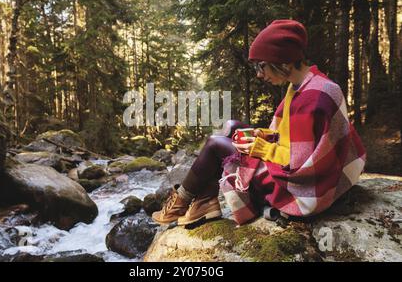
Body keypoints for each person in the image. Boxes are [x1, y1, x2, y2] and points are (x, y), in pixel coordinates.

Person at [152, 19, 366, 226]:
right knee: (232, 126)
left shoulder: (310, 99)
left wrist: (261, 148)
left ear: (283, 61)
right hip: (321, 175)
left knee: (215, 145)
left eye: (262, 66)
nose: (259, 75)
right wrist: (264, 136)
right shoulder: (307, 83)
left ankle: (182, 202)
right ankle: (205, 202)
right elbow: (295, 139)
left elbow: (297, 164)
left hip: (306, 191)